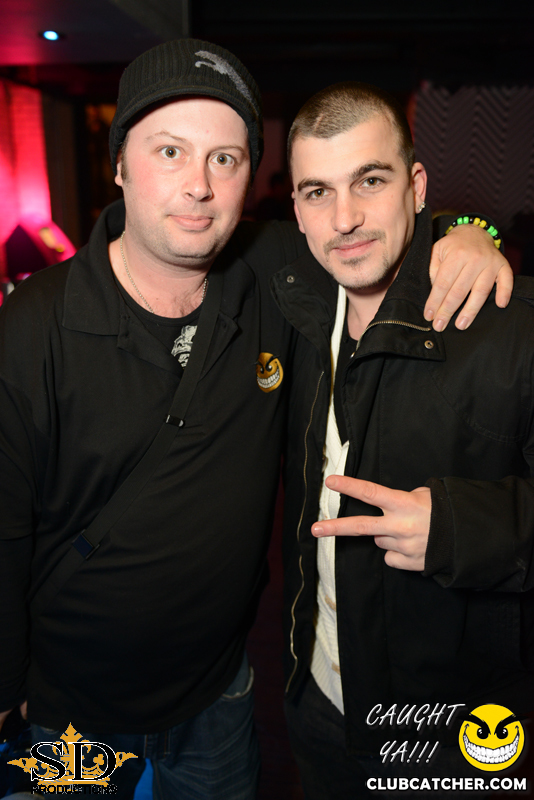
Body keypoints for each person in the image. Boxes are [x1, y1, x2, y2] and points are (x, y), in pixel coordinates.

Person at [0, 40, 513, 800]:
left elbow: (375, 227)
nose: (198, 185)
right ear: (120, 166)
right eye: (169, 151)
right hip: (70, 714)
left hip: (222, 700)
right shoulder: (33, 324)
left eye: (226, 158)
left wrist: (470, 232)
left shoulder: (276, 272)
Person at [273, 81, 534, 799]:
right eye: (318, 192)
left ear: (416, 187)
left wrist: (458, 526)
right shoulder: (293, 311)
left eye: (370, 180)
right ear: (296, 208)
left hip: (454, 728)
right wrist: (467, 224)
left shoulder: (513, 328)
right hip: (317, 701)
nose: (345, 218)